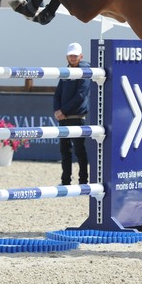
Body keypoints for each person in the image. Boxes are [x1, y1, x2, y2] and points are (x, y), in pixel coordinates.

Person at [53, 42, 90, 185]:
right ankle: (65, 180)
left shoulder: (85, 71)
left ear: (81, 56)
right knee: (65, 151)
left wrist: (62, 110)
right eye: (70, 56)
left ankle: (83, 181)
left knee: (80, 151)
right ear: (66, 57)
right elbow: (57, 94)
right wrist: (57, 111)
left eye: (75, 56)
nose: (72, 58)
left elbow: (81, 95)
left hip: (77, 117)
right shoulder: (65, 72)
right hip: (64, 117)